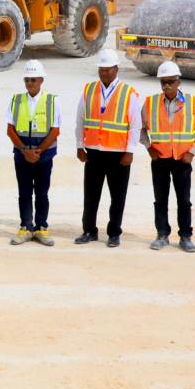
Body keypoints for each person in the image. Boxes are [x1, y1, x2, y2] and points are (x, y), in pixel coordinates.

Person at [75, 49, 141, 248]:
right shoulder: (89, 90)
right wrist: (80, 146)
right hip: (93, 152)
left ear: (116, 68)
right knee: (91, 195)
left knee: (118, 196)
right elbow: (80, 121)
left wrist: (130, 151)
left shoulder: (127, 92)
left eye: (107, 69)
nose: (104, 72)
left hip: (119, 154)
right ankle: (89, 231)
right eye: (101, 69)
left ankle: (114, 233)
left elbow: (135, 125)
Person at [140, 61, 195, 252]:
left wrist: (192, 152)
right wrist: (149, 148)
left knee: (184, 200)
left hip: (182, 159)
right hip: (160, 160)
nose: (167, 85)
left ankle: (185, 236)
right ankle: (162, 234)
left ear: (178, 82)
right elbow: (140, 129)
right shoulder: (150, 103)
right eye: (163, 81)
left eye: (171, 81)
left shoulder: (193, 102)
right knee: (160, 199)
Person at [6, 60, 61, 246]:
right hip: (22, 156)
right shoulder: (16, 100)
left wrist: (37, 152)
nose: (30, 82)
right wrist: (24, 150)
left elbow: (55, 131)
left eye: (34, 79)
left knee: (42, 194)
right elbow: (10, 130)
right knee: (24, 193)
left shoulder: (52, 101)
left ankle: (41, 228)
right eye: (27, 79)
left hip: (44, 157)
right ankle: (26, 227)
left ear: (41, 80)